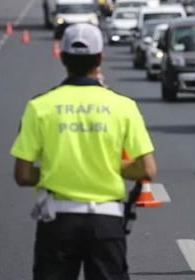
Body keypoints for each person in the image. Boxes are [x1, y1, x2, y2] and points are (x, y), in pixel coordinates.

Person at [11, 23, 157, 280]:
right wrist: (110, 167)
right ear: (100, 58)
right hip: (106, 222)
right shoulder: (123, 107)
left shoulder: (39, 107)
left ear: (63, 58)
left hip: (57, 221)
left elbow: (22, 175)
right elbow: (147, 169)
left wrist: (59, 171)